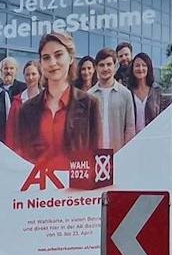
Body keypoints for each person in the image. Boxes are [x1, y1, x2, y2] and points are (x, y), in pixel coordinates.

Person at [11, 31, 103, 167]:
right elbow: (22, 158)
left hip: (77, 186)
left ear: (71, 58)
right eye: (46, 58)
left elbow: (97, 155)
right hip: (38, 186)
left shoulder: (90, 104)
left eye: (58, 55)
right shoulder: (26, 109)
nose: (52, 63)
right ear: (41, 63)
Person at [88, 47, 136, 151]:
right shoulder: (89, 95)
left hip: (119, 153)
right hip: (95, 155)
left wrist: (127, 152)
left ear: (115, 66)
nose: (105, 69)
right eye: (101, 65)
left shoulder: (125, 94)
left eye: (109, 64)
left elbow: (130, 127)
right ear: (96, 68)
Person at [5, 60, 42, 146]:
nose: (30, 77)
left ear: (40, 75)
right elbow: (10, 130)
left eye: (33, 74)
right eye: (27, 74)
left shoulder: (47, 99)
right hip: (21, 150)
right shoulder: (17, 101)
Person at [130, 51, 167, 134]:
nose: (140, 68)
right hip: (131, 141)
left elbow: (163, 119)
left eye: (144, 65)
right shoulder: (127, 92)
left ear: (148, 68)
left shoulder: (157, 91)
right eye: (137, 65)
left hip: (152, 138)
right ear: (132, 68)